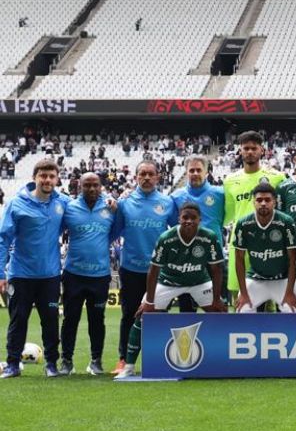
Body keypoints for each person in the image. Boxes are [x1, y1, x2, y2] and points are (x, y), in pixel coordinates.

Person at [115, 203, 225, 379]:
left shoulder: (209, 237)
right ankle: (128, 366)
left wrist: (217, 298)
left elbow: (217, 269)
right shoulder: (167, 238)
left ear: (200, 220)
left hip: (199, 281)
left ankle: (224, 361)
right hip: (168, 281)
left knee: (220, 311)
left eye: (193, 218)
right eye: (185, 218)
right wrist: (149, 302)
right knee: (142, 316)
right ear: (179, 219)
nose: (188, 221)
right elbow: (153, 270)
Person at [0, 160, 70, 378]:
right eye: (43, 176)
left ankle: (51, 364)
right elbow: (3, 239)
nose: (47, 180)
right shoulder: (16, 203)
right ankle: (12, 364)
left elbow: (85, 214)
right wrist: (1, 272)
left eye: (51, 176)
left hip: (49, 275)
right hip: (21, 274)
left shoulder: (63, 203)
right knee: (18, 320)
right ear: (35, 178)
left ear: (57, 179)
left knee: (50, 321)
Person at [110, 161, 177, 374]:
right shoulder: (125, 203)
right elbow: (114, 233)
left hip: (159, 271)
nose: (146, 178)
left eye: (150, 174)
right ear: (136, 177)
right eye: (142, 174)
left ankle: (157, 358)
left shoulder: (167, 202)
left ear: (158, 177)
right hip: (131, 270)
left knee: (159, 314)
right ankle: (123, 359)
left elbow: (176, 233)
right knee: (129, 314)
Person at [59, 173, 116, 376]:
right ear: (79, 186)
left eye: (95, 185)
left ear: (101, 186)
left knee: (97, 320)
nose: (91, 189)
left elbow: (115, 232)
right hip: (73, 274)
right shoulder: (69, 208)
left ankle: (96, 361)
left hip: (100, 276)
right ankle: (66, 361)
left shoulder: (110, 208)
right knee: (70, 319)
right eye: (87, 185)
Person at [223, 131, 286, 305]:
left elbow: (283, 211)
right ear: (240, 151)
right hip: (240, 243)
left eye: (254, 148)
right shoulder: (229, 180)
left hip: (270, 243)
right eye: (246, 148)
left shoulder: (277, 177)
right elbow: (228, 214)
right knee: (239, 297)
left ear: (262, 151)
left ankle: (270, 331)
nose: (250, 152)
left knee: (271, 298)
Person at [233, 182, 296, 313]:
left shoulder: (286, 222)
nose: (263, 203)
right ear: (254, 202)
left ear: (274, 202)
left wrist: (290, 292)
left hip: (282, 280)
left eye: (267, 200)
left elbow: (293, 259)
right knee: (243, 311)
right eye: (259, 200)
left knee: (290, 311)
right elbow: (239, 259)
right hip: (256, 279)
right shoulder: (243, 224)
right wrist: (244, 295)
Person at [171, 155, 225, 313]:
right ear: (186, 172)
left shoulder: (220, 194)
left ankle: (217, 338)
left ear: (206, 172)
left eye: (198, 170)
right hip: (186, 261)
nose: (195, 173)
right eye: (191, 170)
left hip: (213, 260)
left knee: (216, 308)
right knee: (187, 310)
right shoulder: (175, 197)